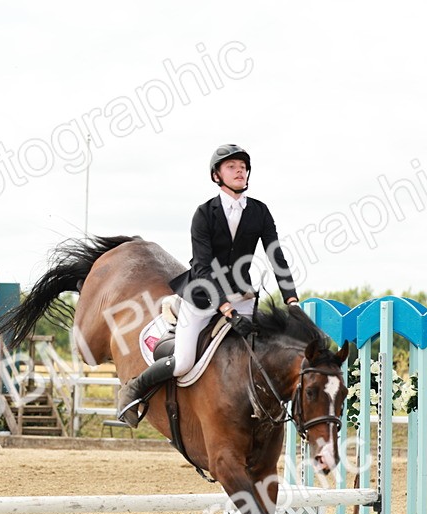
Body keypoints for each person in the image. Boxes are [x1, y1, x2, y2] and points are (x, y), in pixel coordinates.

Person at [117, 144, 301, 425]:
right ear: (217, 176)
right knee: (183, 362)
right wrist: (227, 310)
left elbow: (276, 256)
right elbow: (202, 267)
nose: (240, 170)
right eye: (232, 167)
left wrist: (292, 301)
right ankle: (134, 388)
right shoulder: (204, 214)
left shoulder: (259, 212)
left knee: (259, 357)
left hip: (242, 295)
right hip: (203, 296)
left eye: (243, 167)